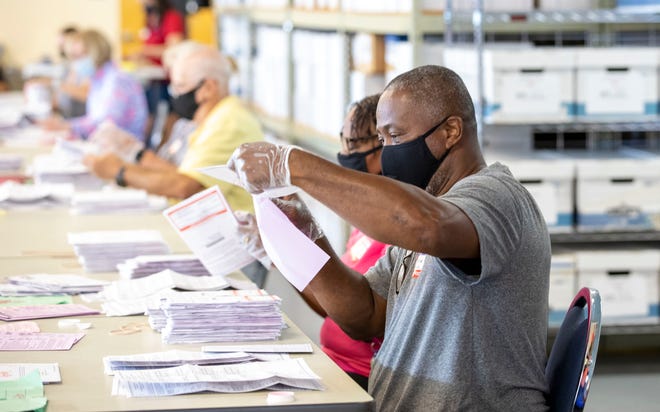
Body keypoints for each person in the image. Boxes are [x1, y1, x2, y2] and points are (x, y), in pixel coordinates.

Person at [228, 65, 551, 410]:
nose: (386, 154)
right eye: (381, 140)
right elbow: (364, 316)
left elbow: (428, 227)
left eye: (395, 137)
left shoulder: (497, 196)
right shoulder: (429, 208)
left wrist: (292, 164)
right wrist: (302, 231)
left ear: (451, 131)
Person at [83, 43, 263, 212]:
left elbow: (185, 186)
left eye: (180, 86)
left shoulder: (228, 122)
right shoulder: (214, 119)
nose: (175, 95)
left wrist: (120, 171)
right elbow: (183, 174)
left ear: (208, 87)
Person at [310, 94, 386, 391]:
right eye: (343, 140)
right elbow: (334, 303)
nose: (344, 153)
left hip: (362, 376)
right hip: (333, 363)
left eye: (353, 145)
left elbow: (359, 318)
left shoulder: (396, 226)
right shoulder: (366, 216)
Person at [39, 29, 148, 140]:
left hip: (123, 151)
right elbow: (94, 119)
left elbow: (106, 125)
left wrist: (66, 126)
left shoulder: (117, 80)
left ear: (96, 52)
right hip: (108, 145)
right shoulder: (98, 81)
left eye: (79, 56)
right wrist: (65, 127)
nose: (76, 63)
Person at [135, 0, 186, 143]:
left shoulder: (171, 17)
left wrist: (145, 51)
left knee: (167, 120)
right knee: (149, 114)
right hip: (154, 79)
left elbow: (174, 48)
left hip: (169, 80)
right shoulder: (151, 18)